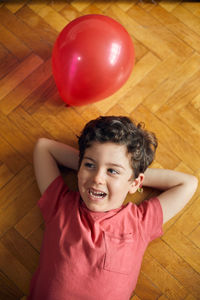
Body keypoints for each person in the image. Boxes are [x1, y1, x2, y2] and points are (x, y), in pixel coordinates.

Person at [27, 116, 198, 300]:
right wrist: (89, 164)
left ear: (135, 182)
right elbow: (43, 148)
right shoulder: (60, 205)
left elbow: (188, 183)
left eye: (112, 171)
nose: (97, 178)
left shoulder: (140, 223)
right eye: (90, 165)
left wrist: (132, 177)